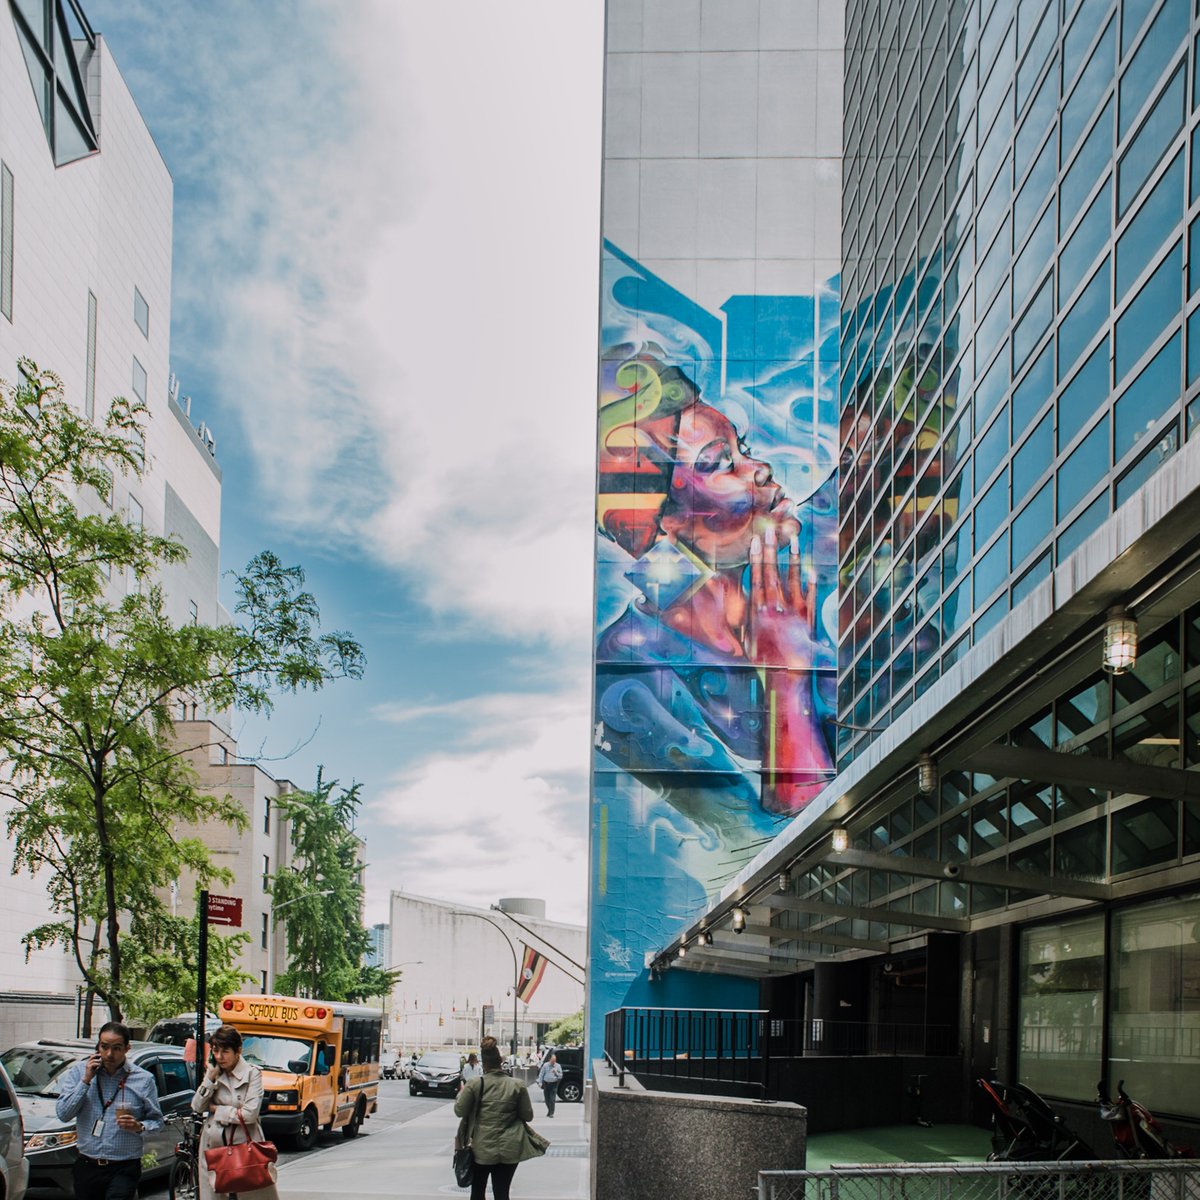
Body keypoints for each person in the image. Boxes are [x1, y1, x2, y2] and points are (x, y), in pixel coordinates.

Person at [55, 1021, 164, 1200]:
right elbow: (63, 1114)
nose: (109, 1054)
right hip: (87, 1163)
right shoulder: (80, 1072)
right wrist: (86, 1081)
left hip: (124, 1166)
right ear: (98, 1046)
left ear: (127, 1048)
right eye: (104, 1047)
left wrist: (139, 1126)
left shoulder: (143, 1079)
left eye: (116, 1048)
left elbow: (157, 1122)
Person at [190, 1023, 280, 1200]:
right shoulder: (213, 1073)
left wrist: (218, 1110)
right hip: (214, 1144)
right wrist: (209, 1079)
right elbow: (197, 1107)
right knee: (214, 1193)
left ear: (238, 1050)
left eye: (225, 1051)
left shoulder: (252, 1074)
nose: (219, 1056)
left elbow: (249, 1114)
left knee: (251, 1191)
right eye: (216, 1051)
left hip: (244, 1145)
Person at [453, 1036, 533, 1200]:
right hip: (509, 1148)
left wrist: (461, 1095)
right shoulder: (517, 1085)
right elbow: (528, 1115)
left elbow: (459, 1111)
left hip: (480, 1148)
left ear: (484, 1063)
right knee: (502, 1193)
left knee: (477, 1192)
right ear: (501, 1061)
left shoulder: (475, 1084)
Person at [536, 1053, 563, 1117]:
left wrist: (556, 1072)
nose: (553, 1062)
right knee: (547, 1099)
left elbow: (561, 1076)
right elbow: (541, 1074)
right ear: (550, 1060)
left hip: (554, 1084)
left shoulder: (558, 1066)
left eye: (554, 1061)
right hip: (546, 1084)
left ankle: (551, 1113)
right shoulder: (545, 1065)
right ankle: (549, 1110)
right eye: (552, 1061)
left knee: (552, 1099)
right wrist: (540, 1082)